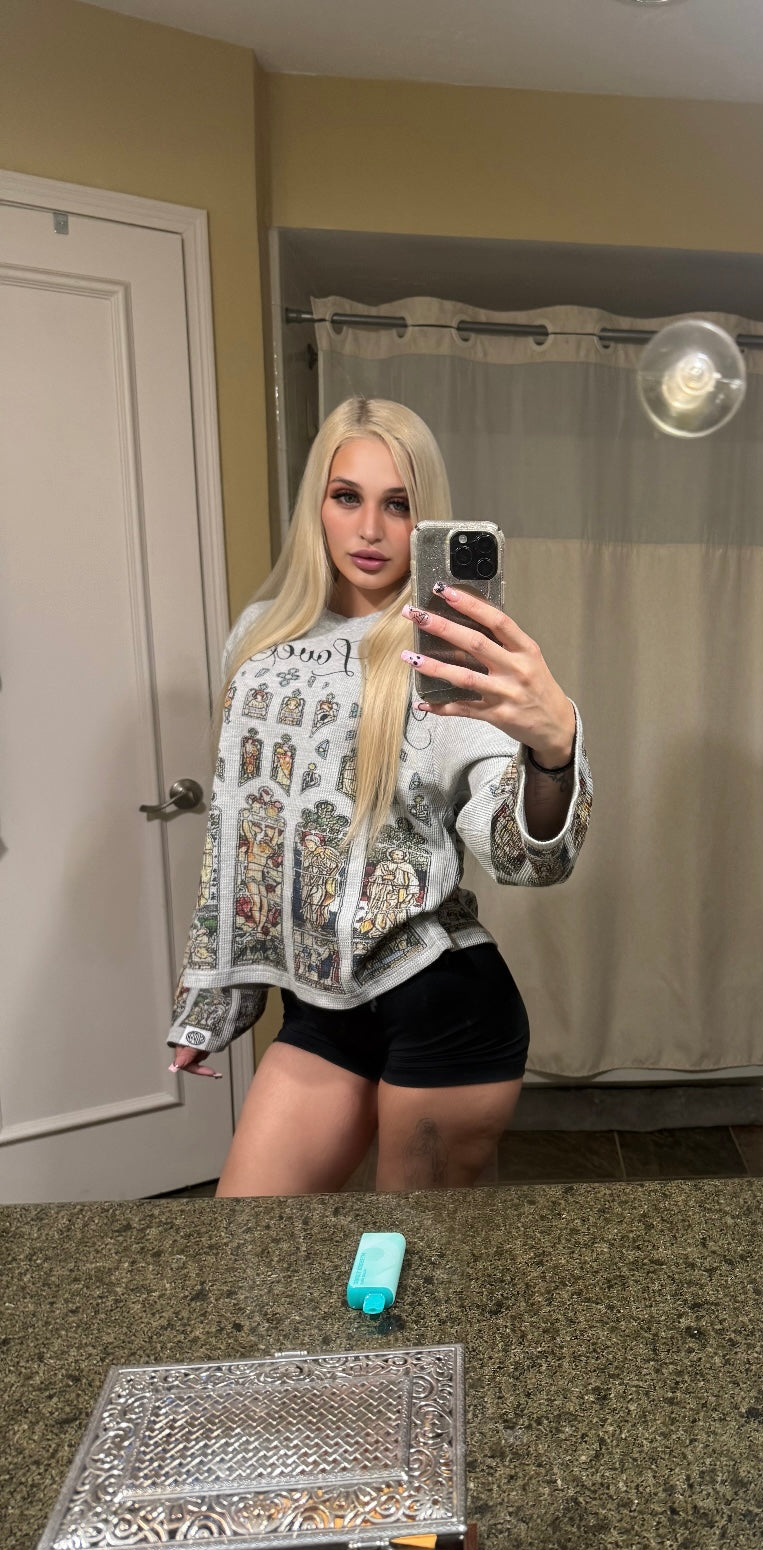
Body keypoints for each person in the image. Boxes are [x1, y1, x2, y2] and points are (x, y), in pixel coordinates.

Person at [168, 397, 592, 1195]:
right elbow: (243, 834)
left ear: (425, 518)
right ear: (317, 505)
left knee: (408, 1257)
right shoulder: (259, 639)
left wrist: (553, 750)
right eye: (347, 497)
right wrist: (214, 992)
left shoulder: (452, 660)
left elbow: (527, 859)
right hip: (318, 1010)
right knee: (252, 1243)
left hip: (444, 1003)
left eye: (399, 504)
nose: (370, 529)